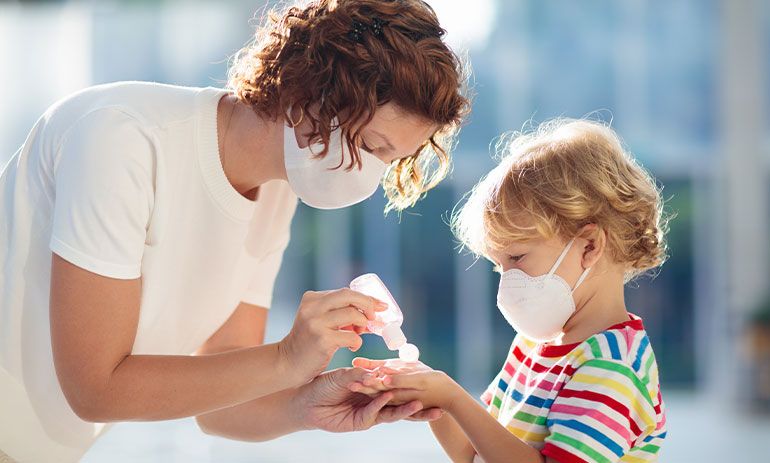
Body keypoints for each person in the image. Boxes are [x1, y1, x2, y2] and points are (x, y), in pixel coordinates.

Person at [0, 0, 469, 461]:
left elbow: (221, 407)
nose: (373, 176)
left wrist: (312, 403)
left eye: (390, 161)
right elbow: (96, 389)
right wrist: (286, 358)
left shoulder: (275, 190)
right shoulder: (122, 138)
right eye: (371, 146)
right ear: (309, 91)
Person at [352, 119, 669, 462]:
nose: (506, 281)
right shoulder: (534, 345)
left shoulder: (612, 367)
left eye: (517, 257)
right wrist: (432, 396)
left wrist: (453, 398)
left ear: (589, 246)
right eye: (498, 264)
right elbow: (475, 453)